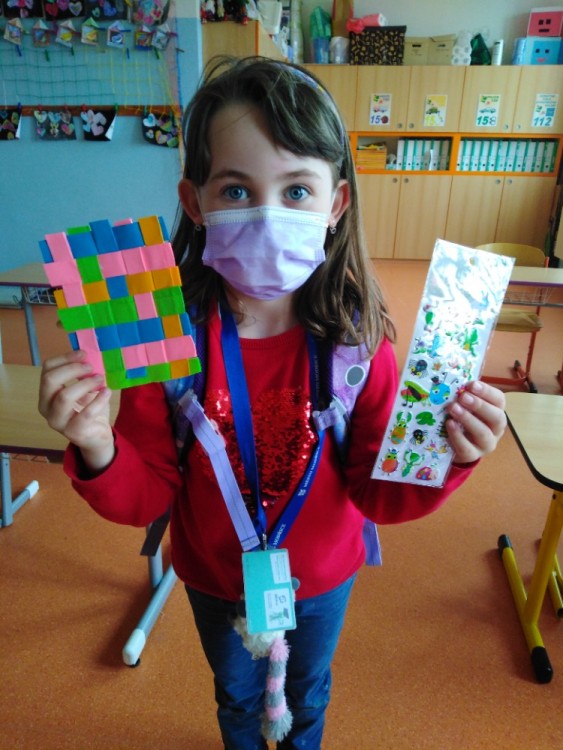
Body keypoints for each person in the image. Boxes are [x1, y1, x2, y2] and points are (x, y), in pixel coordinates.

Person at [38, 56, 507, 750]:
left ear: (335, 204)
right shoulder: (161, 339)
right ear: (194, 202)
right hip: (213, 575)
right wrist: (98, 446)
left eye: (296, 191)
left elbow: (379, 494)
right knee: (235, 699)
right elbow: (147, 496)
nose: (266, 214)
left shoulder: (357, 346)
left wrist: (450, 455)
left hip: (322, 578)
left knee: (308, 696)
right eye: (236, 189)